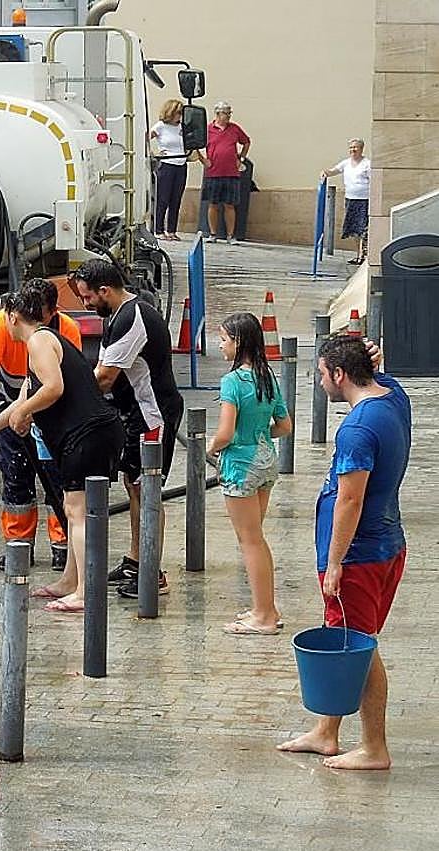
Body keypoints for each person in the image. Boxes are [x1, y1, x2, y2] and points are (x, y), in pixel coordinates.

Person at [278, 336, 411, 771]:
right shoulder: (393, 398)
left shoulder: (356, 429)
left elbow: (350, 500)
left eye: (321, 374)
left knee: (360, 647)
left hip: (360, 556)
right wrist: (374, 360)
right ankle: (326, 731)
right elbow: (380, 374)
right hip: (388, 544)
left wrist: (334, 563)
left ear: (339, 375)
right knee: (345, 640)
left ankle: (375, 748)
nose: (319, 383)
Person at [0, 286, 124, 613]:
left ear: (13, 317)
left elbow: (53, 388)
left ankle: (86, 591)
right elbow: (22, 399)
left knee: (77, 512)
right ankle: (70, 581)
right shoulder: (44, 341)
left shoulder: (39, 341)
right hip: (90, 434)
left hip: (87, 435)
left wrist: (23, 412)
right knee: (73, 511)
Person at [73, 259, 183, 599]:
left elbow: (105, 376)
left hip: (153, 414)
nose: (86, 305)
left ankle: (152, 573)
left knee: (146, 489)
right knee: (134, 484)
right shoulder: (118, 316)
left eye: (88, 298)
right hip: (137, 412)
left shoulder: (132, 317)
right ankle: (137, 560)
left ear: (105, 291)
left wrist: (69, 395)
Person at [0, 284, 83, 573]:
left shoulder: (58, 333)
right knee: (16, 477)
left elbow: (57, 386)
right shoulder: (2, 325)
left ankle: (62, 548)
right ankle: (19, 545)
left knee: (58, 483)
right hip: (17, 406)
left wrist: (24, 413)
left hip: (53, 415)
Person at [207, 313, 292, 635]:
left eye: (224, 339)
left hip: (240, 467)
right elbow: (284, 426)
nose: (220, 344)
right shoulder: (266, 375)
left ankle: (264, 615)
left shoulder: (232, 382)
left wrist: (210, 448)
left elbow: (226, 433)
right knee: (255, 537)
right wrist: (258, 433)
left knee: (250, 541)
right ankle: (266, 607)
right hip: (265, 461)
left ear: (238, 342)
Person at [202, 101, 250, 244]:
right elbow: (195, 144)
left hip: (231, 172)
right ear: (218, 114)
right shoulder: (208, 129)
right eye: (226, 113)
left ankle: (230, 235)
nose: (228, 116)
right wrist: (202, 160)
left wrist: (241, 157)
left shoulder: (234, 129)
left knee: (230, 205)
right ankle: (212, 234)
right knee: (213, 204)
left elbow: (246, 142)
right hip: (213, 172)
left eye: (230, 113)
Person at [149, 98, 195, 240]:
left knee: (176, 199)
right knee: (163, 198)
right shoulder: (161, 126)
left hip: (181, 164)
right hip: (167, 165)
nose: (180, 116)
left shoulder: (182, 128)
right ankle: (158, 230)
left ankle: (172, 230)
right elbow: (146, 138)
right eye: (178, 113)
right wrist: (152, 154)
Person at [321, 139, 371, 265]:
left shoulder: (367, 164)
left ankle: (363, 256)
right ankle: (358, 254)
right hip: (350, 199)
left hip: (364, 200)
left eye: (356, 147)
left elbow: (373, 182)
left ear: (361, 149)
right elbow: (334, 171)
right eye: (351, 147)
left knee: (363, 229)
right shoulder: (346, 163)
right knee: (354, 229)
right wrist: (325, 172)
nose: (353, 150)